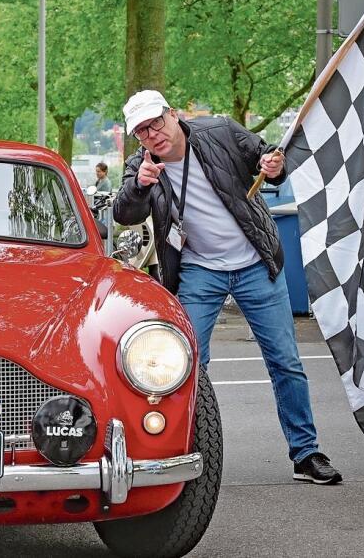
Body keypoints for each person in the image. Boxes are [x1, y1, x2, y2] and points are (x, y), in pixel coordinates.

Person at [113, 89, 342, 485]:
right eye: (142, 131)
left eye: (156, 122)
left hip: (255, 263)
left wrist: (273, 164)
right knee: (184, 366)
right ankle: (180, 452)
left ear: (172, 114)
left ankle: (305, 453)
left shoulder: (218, 130)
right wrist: (140, 185)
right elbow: (124, 212)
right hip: (200, 272)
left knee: (285, 362)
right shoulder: (142, 164)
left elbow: (266, 157)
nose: (153, 135)